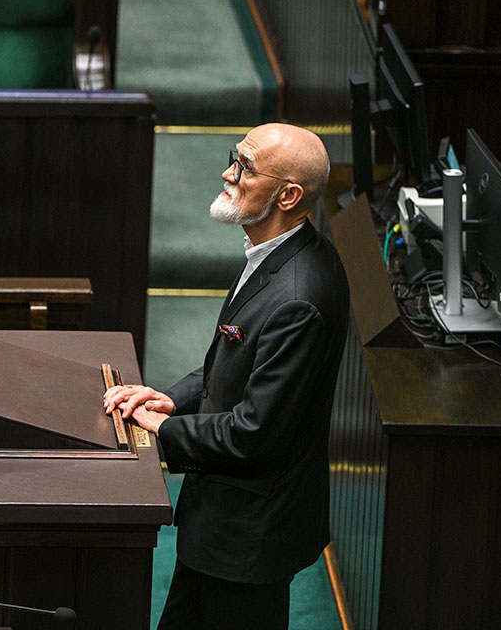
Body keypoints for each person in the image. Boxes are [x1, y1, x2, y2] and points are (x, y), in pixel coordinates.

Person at [104, 123, 350, 630]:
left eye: (245, 167)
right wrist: (171, 399)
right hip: (223, 524)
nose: (227, 173)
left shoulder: (298, 298)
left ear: (288, 196)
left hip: (249, 538)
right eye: (234, 158)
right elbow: (232, 360)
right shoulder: (274, 252)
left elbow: (255, 432)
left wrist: (162, 428)